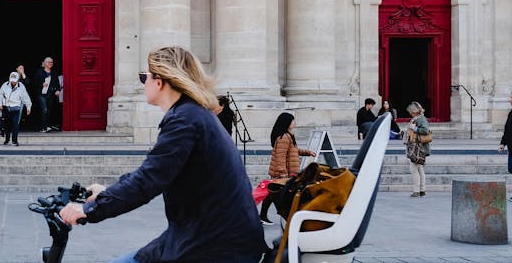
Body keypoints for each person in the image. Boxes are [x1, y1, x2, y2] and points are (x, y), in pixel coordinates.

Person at [58, 46, 267, 262]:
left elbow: (148, 181)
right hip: (208, 236)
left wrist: (88, 209)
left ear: (159, 81)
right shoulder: (192, 114)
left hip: (215, 246)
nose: (143, 83)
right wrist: (106, 193)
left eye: (144, 77)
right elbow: (153, 170)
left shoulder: (184, 120)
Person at [259, 112, 317, 224]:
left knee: (273, 194)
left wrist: (307, 152)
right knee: (279, 195)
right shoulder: (284, 137)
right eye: (292, 121)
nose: (293, 123)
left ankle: (263, 216)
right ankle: (285, 217)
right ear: (287, 123)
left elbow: (293, 150)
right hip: (284, 172)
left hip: (287, 171)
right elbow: (280, 157)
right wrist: (282, 173)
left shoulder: (288, 136)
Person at [0, 71, 32, 145]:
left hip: (16, 108)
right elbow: (0, 95)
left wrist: (28, 107)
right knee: (7, 125)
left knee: (15, 124)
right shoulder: (5, 85)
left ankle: (14, 140)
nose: (13, 82)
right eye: (12, 81)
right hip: (7, 107)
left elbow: (25, 97)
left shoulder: (21, 86)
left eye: (15, 81)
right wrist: (0, 104)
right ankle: (7, 140)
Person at [405, 101, 430, 197]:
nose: (410, 113)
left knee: (413, 169)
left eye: (411, 111)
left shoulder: (421, 119)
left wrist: (414, 129)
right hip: (417, 147)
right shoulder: (418, 118)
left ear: (414, 111)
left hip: (418, 149)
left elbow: (425, 130)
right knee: (420, 169)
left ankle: (416, 191)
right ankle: (422, 190)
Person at [33, 56, 61, 132]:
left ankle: (47, 126)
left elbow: (57, 84)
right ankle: (43, 127)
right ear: (44, 63)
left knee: (48, 111)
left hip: (50, 95)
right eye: (48, 62)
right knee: (44, 109)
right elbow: (34, 83)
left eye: (51, 62)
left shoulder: (54, 73)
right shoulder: (39, 72)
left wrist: (58, 90)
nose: (50, 63)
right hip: (41, 94)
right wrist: (41, 84)